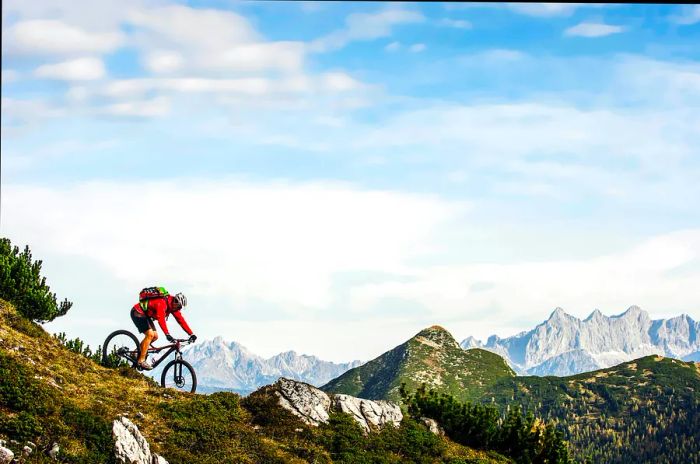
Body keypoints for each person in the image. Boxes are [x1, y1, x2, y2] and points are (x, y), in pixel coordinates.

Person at [130, 291, 196, 370]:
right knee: (150, 334)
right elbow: (161, 319)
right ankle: (141, 360)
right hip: (138, 312)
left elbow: (180, 320)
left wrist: (191, 334)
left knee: (155, 337)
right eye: (179, 307)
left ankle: (136, 352)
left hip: (146, 315)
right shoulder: (161, 303)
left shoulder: (173, 307)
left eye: (180, 308)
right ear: (175, 302)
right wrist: (167, 334)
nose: (179, 309)